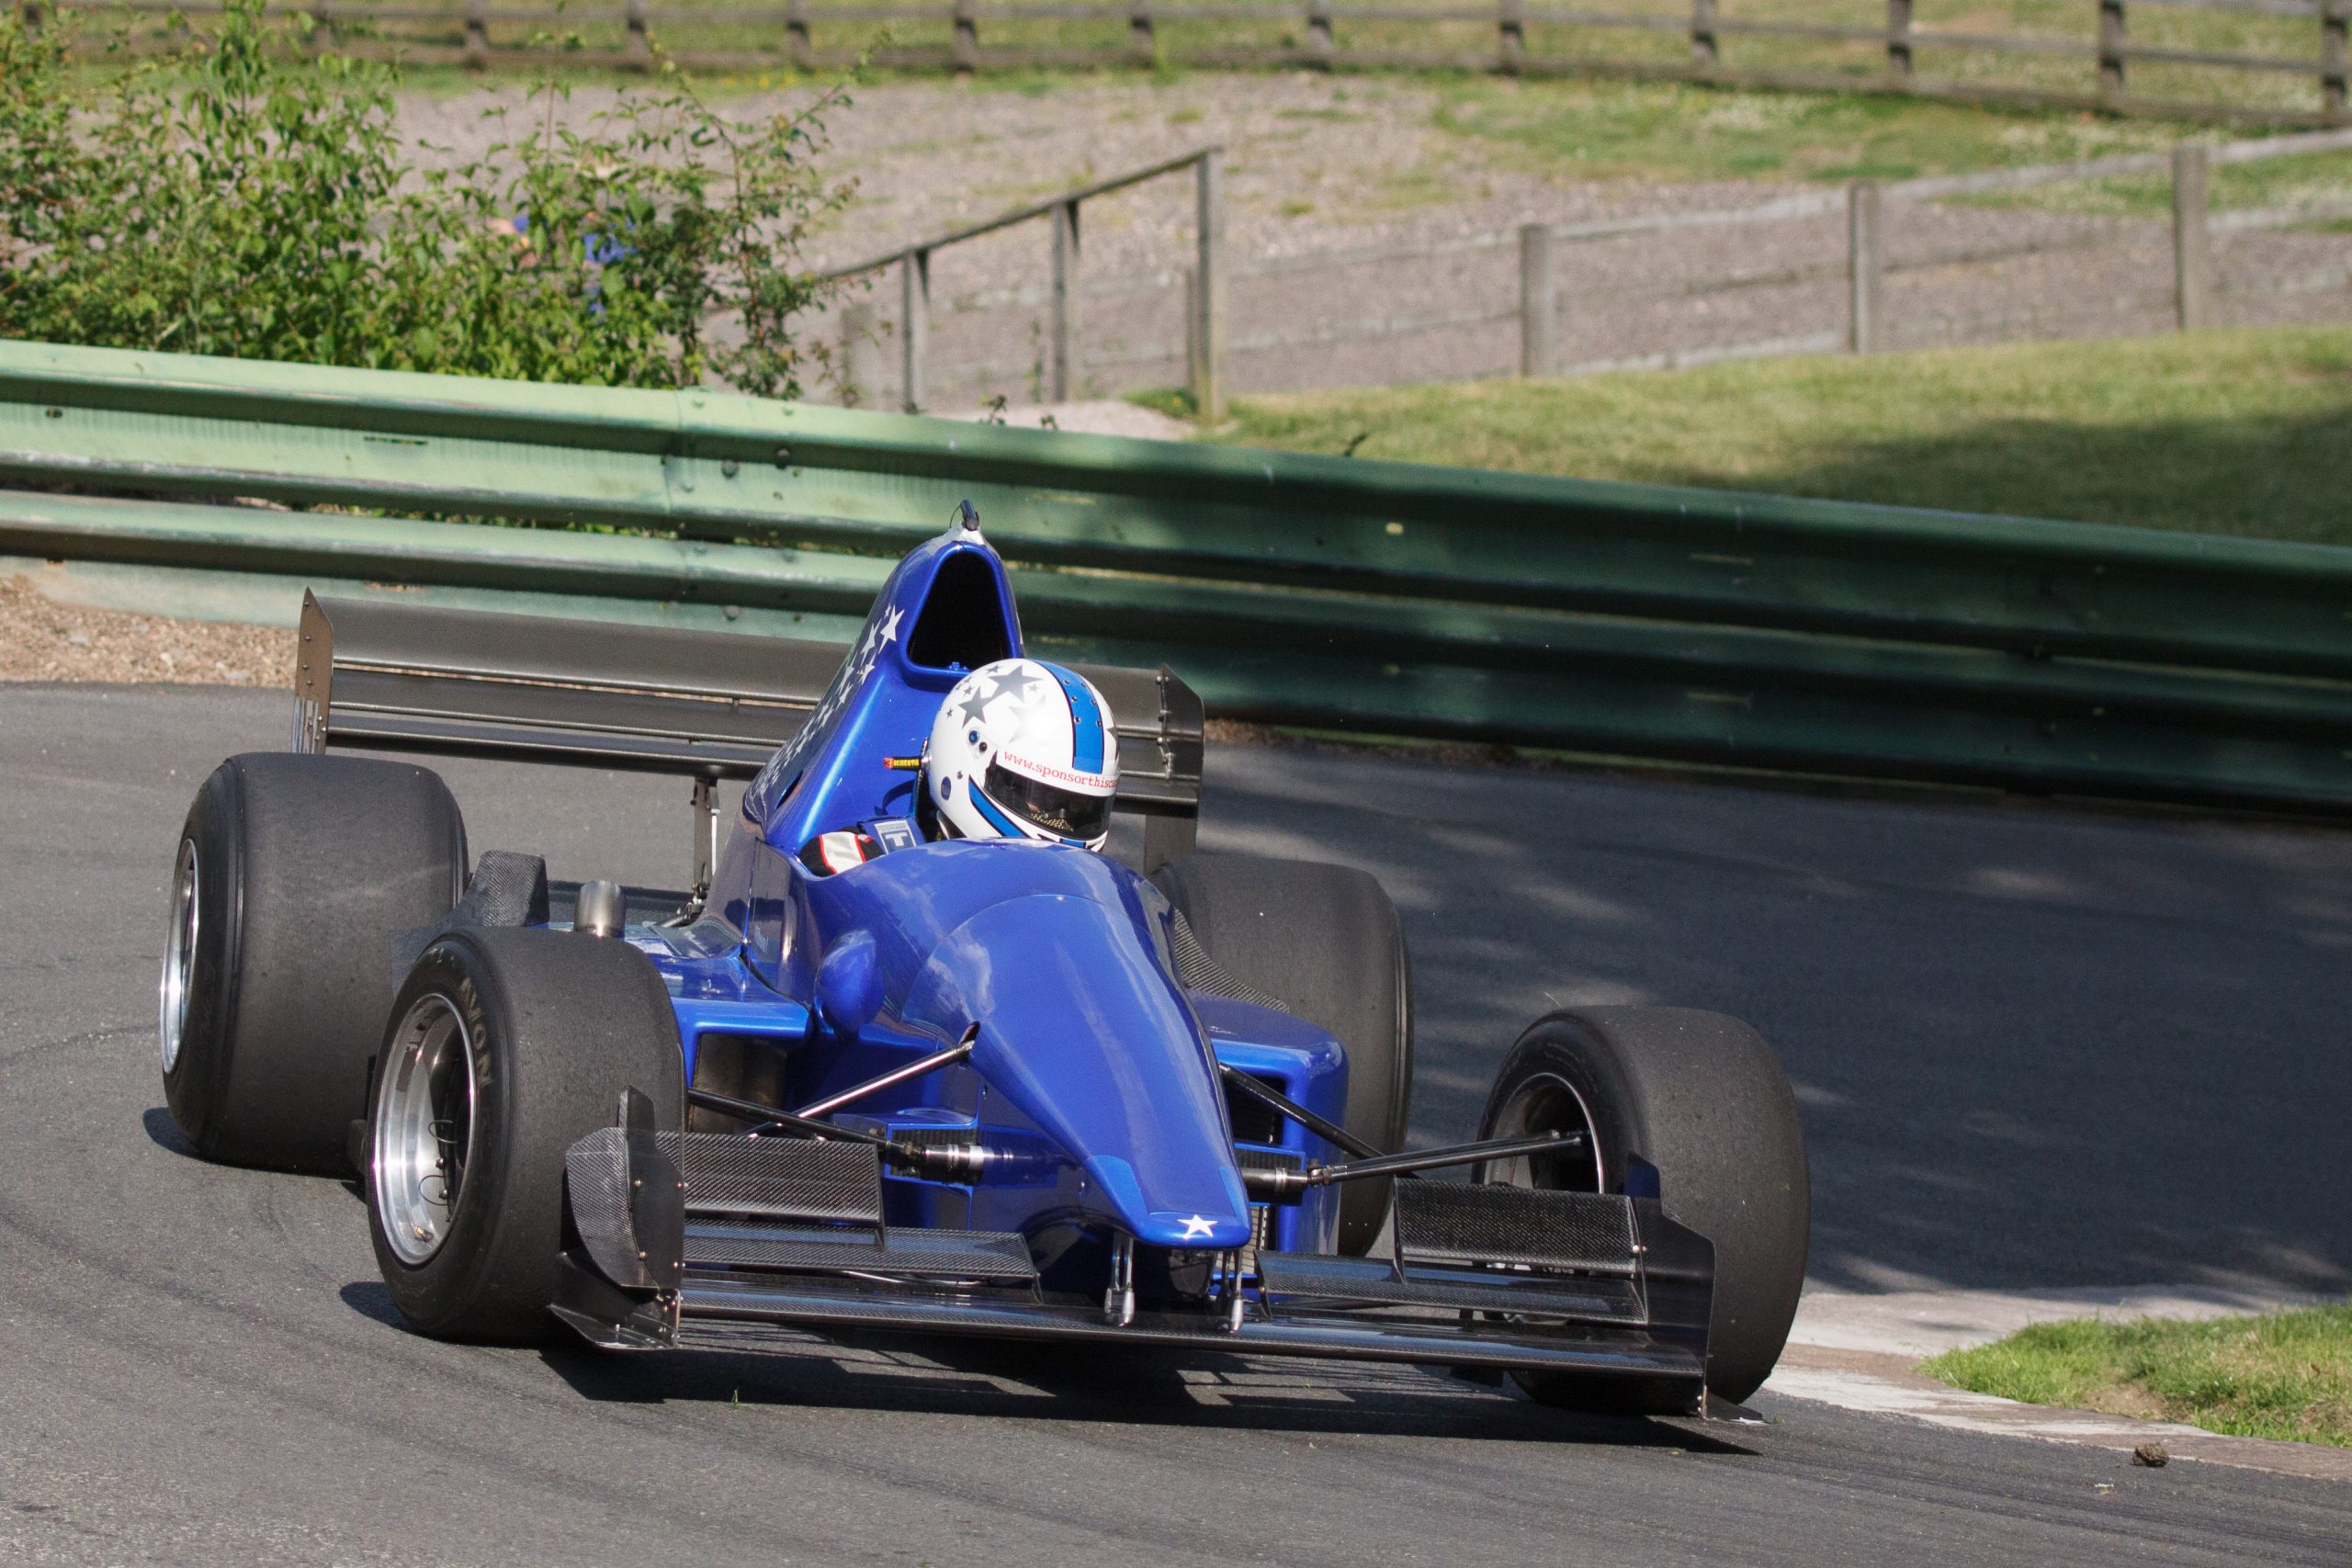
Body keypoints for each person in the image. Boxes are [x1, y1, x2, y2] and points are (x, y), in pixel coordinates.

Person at [798, 656, 1120, 876]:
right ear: (964, 763)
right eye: (1045, 799)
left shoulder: (1098, 901)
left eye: (1081, 808)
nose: (1062, 820)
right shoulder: (865, 865)